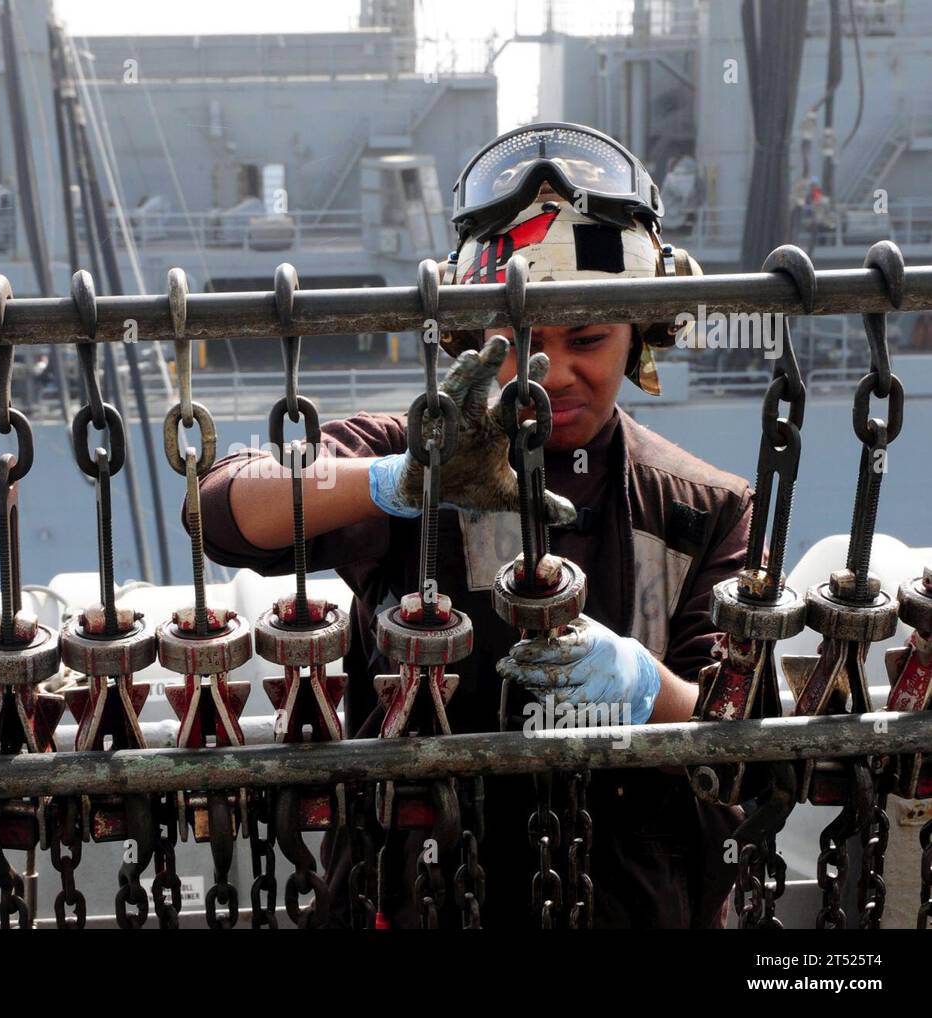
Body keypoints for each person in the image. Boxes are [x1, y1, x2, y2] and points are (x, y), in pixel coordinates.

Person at [191, 122, 751, 928]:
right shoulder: (401, 453)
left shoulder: (701, 507)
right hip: (410, 898)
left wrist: (644, 687)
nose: (551, 371)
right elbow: (219, 508)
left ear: (642, 332)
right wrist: (394, 482)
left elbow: (741, 735)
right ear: (472, 338)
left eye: (587, 338)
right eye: (518, 341)